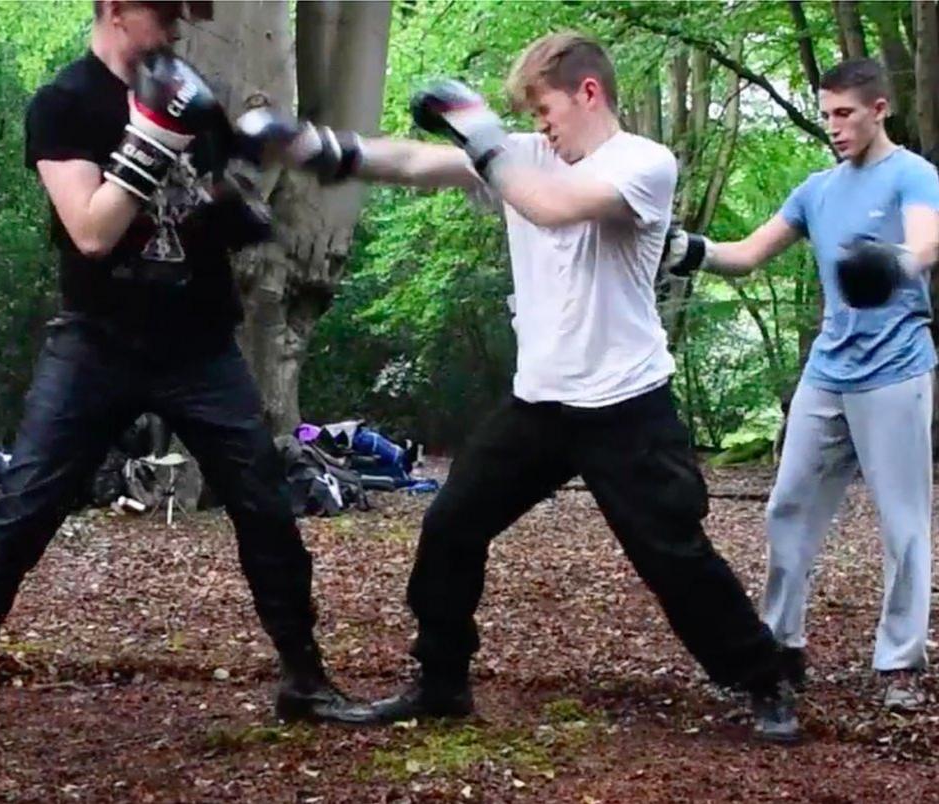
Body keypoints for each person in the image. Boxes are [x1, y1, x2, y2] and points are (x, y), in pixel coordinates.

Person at [239, 30, 799, 741]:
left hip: (627, 404)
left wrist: (481, 131)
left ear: (588, 92)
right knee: (448, 530)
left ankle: (764, 677)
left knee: (674, 558)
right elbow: (414, 161)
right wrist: (308, 145)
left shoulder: (643, 164)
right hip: (540, 404)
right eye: (529, 118)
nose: (540, 127)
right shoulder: (522, 158)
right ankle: (442, 682)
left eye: (545, 110)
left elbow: (551, 206)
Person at [0, 0, 369, 747]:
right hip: (96, 343)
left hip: (198, 342)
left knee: (264, 504)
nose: (175, 28)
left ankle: (304, 676)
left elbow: (209, 205)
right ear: (113, 9)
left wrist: (238, 197)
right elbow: (92, 231)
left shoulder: (190, 89)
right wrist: (152, 138)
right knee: (21, 513)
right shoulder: (65, 104)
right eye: (163, 12)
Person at [663, 58, 939, 712]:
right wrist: (683, 248)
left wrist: (892, 263)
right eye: (826, 114)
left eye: (845, 113)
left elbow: (928, 242)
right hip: (828, 370)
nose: (834, 127)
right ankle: (781, 647)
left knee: (903, 525)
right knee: (786, 507)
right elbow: (749, 253)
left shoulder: (914, 174)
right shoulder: (817, 189)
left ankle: (900, 664)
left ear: (879, 109)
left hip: (896, 369)